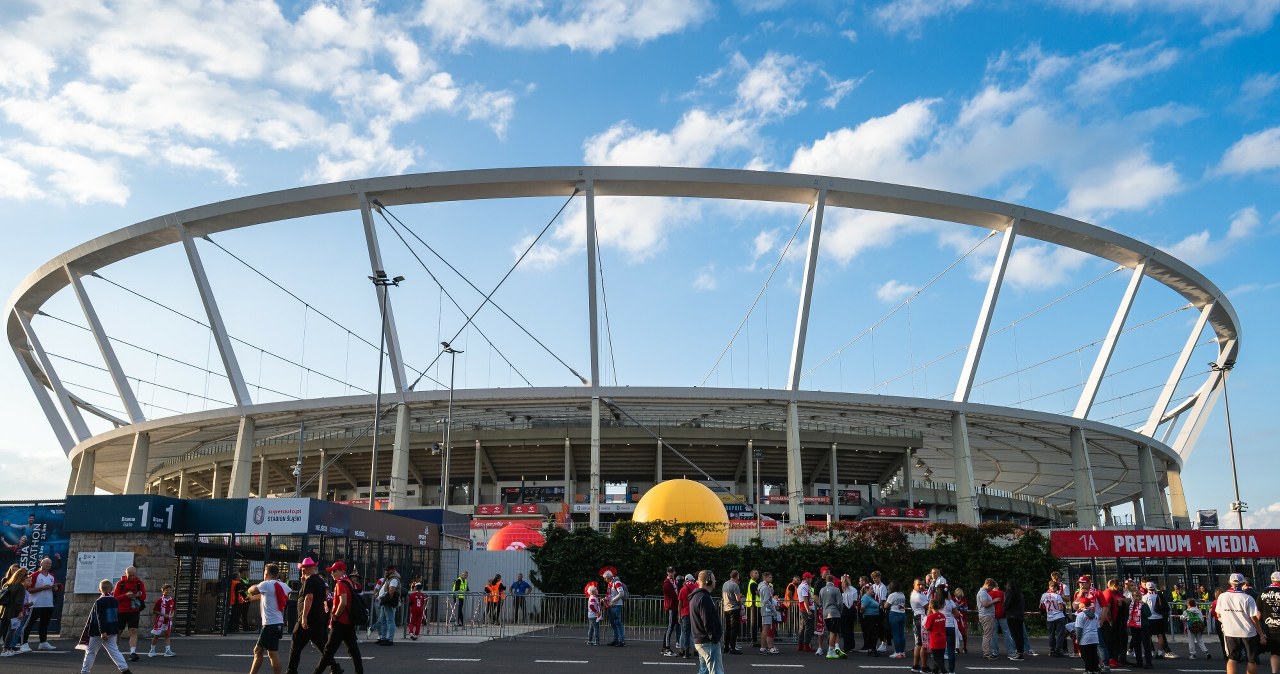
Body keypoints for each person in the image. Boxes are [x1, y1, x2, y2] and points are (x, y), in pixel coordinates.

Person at [286, 558, 341, 674]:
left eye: (304, 568)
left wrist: (304, 617)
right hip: (317, 618)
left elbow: (309, 598)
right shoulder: (319, 580)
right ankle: (335, 667)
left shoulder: (310, 580)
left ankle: (291, 671)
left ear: (309, 568)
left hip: (308, 618)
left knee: (296, 644)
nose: (302, 570)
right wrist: (304, 583)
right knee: (320, 644)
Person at [312, 561, 363, 674]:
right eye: (332, 572)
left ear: (342, 571)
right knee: (354, 651)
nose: (332, 574)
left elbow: (343, 602)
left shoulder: (340, 584)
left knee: (328, 652)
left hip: (340, 622)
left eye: (334, 571)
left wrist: (335, 616)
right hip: (349, 621)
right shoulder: (349, 582)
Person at [79, 578, 133, 674]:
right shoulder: (115, 601)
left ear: (99, 589)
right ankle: (125, 669)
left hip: (98, 631)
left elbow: (101, 617)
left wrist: (102, 631)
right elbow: (116, 616)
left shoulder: (99, 601)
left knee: (91, 652)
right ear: (111, 589)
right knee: (114, 650)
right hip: (112, 630)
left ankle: (85, 671)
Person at [1219, 572, 1266, 674]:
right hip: (1248, 632)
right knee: (1251, 660)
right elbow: (1254, 618)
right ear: (1243, 583)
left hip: (1230, 631)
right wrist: (1261, 634)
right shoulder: (1247, 598)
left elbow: (1218, 614)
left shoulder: (1222, 597)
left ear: (1229, 582)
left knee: (1232, 658)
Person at [247, 563, 290, 674]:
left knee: (268, 653)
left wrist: (252, 587)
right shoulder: (281, 585)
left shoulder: (266, 584)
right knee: (265, 652)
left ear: (266, 573)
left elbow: (252, 590)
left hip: (270, 624)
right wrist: (251, 599)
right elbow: (267, 595)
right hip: (277, 623)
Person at [689, 570, 724, 674]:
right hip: (708, 642)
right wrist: (714, 638)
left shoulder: (696, 596)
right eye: (713, 579)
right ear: (708, 581)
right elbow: (707, 621)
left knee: (704, 671)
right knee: (716, 671)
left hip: (701, 640)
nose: (715, 581)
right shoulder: (704, 598)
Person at [112, 566, 147, 662]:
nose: (131, 577)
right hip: (121, 611)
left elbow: (144, 596)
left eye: (133, 575)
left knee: (133, 631)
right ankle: (115, 652)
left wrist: (136, 596)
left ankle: (132, 652)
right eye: (129, 575)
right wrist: (125, 595)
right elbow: (115, 598)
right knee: (118, 632)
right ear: (125, 573)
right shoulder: (120, 583)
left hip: (134, 611)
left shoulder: (139, 583)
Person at [23, 556, 58, 651]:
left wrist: (55, 588)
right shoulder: (35, 575)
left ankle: (43, 642)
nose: (48, 565)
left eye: (50, 563)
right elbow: (29, 589)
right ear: (41, 564)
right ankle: (24, 643)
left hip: (48, 604)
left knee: (44, 624)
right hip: (35, 604)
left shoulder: (51, 576)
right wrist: (42, 588)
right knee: (29, 624)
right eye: (46, 563)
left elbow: (54, 588)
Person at [0, 566, 29, 657]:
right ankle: (6, 649)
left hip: (4, 610)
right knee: (11, 630)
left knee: (1, 630)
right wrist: (20, 612)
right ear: (23, 577)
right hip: (13, 611)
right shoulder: (20, 587)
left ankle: (7, 649)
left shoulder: (8, 584)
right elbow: (18, 602)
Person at [1142, 580, 1174, 658]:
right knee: (1160, 635)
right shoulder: (1159, 596)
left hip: (1149, 618)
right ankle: (1160, 653)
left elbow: (1143, 607)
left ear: (1147, 588)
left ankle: (1150, 651)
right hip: (1159, 618)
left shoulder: (1145, 597)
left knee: (1148, 636)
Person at [1259, 572, 1280, 674]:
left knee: (1275, 652)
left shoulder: (1264, 591)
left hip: (1270, 627)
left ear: (1272, 580)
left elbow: (1258, 613)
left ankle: (1274, 672)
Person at [146, 584, 175, 658]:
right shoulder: (160, 600)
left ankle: (168, 650)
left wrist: (172, 614)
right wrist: (163, 614)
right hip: (160, 621)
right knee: (156, 635)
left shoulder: (172, 600)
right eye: (167, 590)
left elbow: (173, 609)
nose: (169, 591)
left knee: (167, 635)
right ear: (163, 591)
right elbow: (155, 610)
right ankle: (152, 650)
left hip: (168, 620)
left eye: (170, 590)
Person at [820, 571, 844, 658]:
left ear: (826, 581)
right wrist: (840, 610)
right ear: (833, 580)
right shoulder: (836, 590)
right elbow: (840, 603)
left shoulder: (822, 590)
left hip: (825, 613)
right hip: (834, 613)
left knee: (831, 631)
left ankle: (833, 649)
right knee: (834, 632)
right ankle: (830, 650)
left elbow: (821, 603)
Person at [374, 566, 400, 643]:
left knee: (390, 620)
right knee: (383, 620)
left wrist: (385, 600)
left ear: (392, 570)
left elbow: (391, 591)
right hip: (385, 601)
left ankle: (390, 639)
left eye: (388, 571)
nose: (386, 572)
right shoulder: (389, 579)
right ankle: (383, 638)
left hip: (388, 602)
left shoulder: (394, 579)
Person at [1041, 581, 1068, 657]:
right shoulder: (1057, 596)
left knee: (1051, 634)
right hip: (1059, 616)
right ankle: (1058, 650)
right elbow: (1060, 608)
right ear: (1056, 588)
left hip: (1050, 617)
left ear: (1049, 587)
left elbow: (1041, 606)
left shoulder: (1044, 595)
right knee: (1060, 634)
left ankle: (1052, 649)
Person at [1077, 596, 1102, 674]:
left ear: (1083, 604)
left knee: (1085, 654)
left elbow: (1079, 629)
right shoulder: (1095, 615)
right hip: (1094, 637)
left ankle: (1088, 670)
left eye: (1080, 603)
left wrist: (1078, 639)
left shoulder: (1080, 615)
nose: (1078, 604)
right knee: (1093, 653)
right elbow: (1098, 627)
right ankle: (1095, 669)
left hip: (1085, 638)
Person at [924, 595, 948, 674]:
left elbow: (927, 628)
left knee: (936, 658)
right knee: (941, 657)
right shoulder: (943, 616)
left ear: (930, 607)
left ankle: (944, 671)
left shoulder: (930, 617)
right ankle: (935, 670)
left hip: (935, 640)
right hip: (943, 639)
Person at [721, 569, 743, 654]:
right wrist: (740, 606)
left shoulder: (725, 584)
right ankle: (732, 647)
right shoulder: (735, 585)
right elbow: (738, 598)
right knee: (734, 629)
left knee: (727, 628)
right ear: (737, 576)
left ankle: (726, 647)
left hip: (726, 608)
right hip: (734, 608)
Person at [910, 578, 929, 673]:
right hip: (921, 619)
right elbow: (929, 607)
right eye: (918, 584)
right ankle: (924, 667)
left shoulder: (920, 594)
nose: (921, 586)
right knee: (923, 644)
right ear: (914, 585)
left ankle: (916, 665)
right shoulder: (918, 596)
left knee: (919, 643)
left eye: (922, 584)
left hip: (919, 618)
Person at [1005, 580, 1026, 660]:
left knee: (1015, 635)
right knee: (1020, 635)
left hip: (1011, 616)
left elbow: (1007, 604)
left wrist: (1004, 610)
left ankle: (1019, 654)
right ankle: (1021, 652)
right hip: (1020, 616)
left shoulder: (1010, 594)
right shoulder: (1020, 594)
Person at [604, 570, 626, 646]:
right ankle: (616, 639)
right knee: (613, 623)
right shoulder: (610, 584)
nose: (604, 579)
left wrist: (613, 600)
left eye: (605, 578)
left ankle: (621, 640)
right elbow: (609, 595)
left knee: (618, 622)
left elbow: (621, 593)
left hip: (616, 605)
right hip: (611, 605)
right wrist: (606, 599)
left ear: (609, 577)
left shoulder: (616, 582)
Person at [886, 580, 907, 658]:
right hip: (902, 614)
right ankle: (902, 652)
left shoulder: (892, 595)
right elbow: (902, 605)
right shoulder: (902, 594)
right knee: (902, 634)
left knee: (896, 634)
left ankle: (897, 652)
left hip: (894, 614)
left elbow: (886, 606)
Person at [977, 578, 998, 658]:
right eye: (991, 587)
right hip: (986, 616)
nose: (991, 589)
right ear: (988, 585)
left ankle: (986, 651)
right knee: (988, 634)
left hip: (986, 615)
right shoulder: (983, 593)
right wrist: (994, 601)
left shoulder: (983, 592)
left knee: (987, 634)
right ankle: (986, 652)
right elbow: (985, 604)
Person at [662, 567, 680, 656]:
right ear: (667, 573)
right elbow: (673, 595)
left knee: (670, 627)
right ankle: (667, 649)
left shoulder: (673, 582)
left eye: (672, 572)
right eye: (669, 572)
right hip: (670, 607)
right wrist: (680, 599)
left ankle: (664, 648)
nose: (670, 573)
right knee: (669, 628)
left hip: (673, 606)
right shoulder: (667, 583)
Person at [861, 581, 883, 656]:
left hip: (874, 617)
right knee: (873, 634)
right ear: (867, 590)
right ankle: (873, 650)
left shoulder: (871, 597)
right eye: (871, 589)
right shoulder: (866, 597)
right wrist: (863, 613)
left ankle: (871, 649)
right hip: (870, 617)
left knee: (873, 633)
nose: (873, 590)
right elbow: (862, 607)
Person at [678, 573, 697, 658]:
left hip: (685, 613)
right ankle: (696, 650)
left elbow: (680, 604)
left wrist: (679, 616)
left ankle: (686, 651)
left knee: (685, 633)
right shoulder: (696, 588)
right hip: (694, 613)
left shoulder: (683, 589)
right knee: (694, 633)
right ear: (692, 580)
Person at [759, 571, 778, 655]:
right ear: (765, 577)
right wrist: (773, 610)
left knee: (765, 629)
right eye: (770, 577)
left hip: (765, 609)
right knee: (765, 629)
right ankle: (763, 648)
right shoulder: (765, 587)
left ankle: (763, 648)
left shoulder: (763, 586)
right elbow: (766, 601)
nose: (771, 578)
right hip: (767, 610)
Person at [797, 571, 815, 651]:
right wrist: (808, 610)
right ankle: (806, 645)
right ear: (807, 578)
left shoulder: (801, 585)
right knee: (809, 627)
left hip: (803, 608)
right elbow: (805, 599)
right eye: (810, 578)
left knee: (803, 627)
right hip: (806, 608)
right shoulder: (805, 586)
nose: (811, 579)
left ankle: (800, 645)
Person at [746, 569, 761, 647]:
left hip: (754, 605)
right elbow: (758, 594)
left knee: (756, 623)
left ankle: (755, 640)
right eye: (755, 573)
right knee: (755, 623)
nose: (757, 574)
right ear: (751, 575)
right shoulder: (753, 583)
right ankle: (754, 641)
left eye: (758, 573)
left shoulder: (752, 583)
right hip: (754, 605)